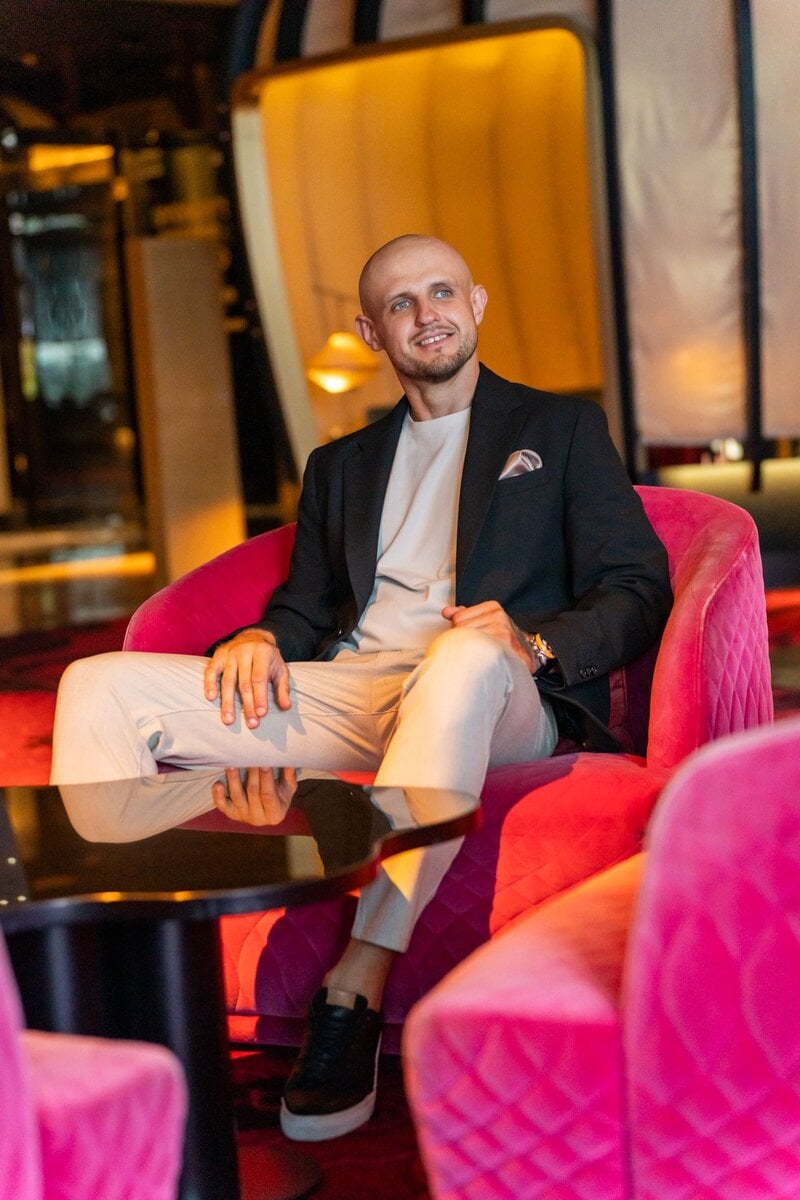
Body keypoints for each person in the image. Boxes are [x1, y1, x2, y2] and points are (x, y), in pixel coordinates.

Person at [50, 233, 672, 1142]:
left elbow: (637, 586)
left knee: (458, 661)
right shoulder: (339, 467)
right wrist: (263, 636)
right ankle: (111, 995)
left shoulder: (559, 429)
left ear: (478, 303)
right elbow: (305, 605)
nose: (428, 315)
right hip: (357, 691)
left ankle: (360, 976)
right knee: (95, 687)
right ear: (371, 332)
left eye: (442, 293)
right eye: (401, 304)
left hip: (499, 691)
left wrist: (532, 643)